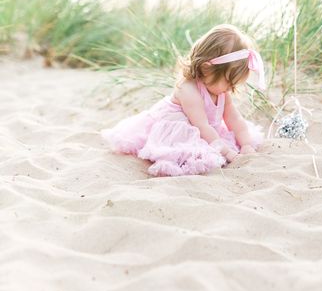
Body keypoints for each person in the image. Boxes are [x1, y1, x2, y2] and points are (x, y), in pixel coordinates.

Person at [100, 23, 266, 177]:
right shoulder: (189, 90)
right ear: (206, 68)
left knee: (225, 140)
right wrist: (227, 152)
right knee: (192, 153)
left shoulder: (222, 92)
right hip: (181, 129)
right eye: (229, 82)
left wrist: (246, 144)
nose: (230, 88)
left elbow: (234, 119)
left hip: (206, 130)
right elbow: (201, 127)